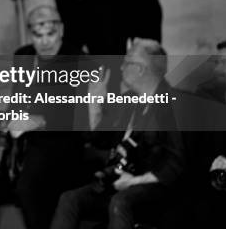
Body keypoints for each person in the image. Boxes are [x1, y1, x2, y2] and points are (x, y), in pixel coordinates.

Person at [50, 39, 185, 229]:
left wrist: (134, 181)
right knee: (70, 199)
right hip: (119, 182)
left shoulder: (173, 104)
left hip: (154, 189)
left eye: (126, 62)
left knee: (120, 202)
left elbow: (175, 165)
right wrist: (94, 104)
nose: (121, 68)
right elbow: (99, 139)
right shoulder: (127, 101)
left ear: (140, 69)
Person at [9, 5, 87, 229]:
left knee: (32, 186)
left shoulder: (76, 59)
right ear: (30, 34)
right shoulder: (23, 57)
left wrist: (38, 120)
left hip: (64, 139)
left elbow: (75, 113)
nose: (45, 41)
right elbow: (16, 98)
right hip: (28, 142)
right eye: (38, 35)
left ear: (61, 30)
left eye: (50, 34)